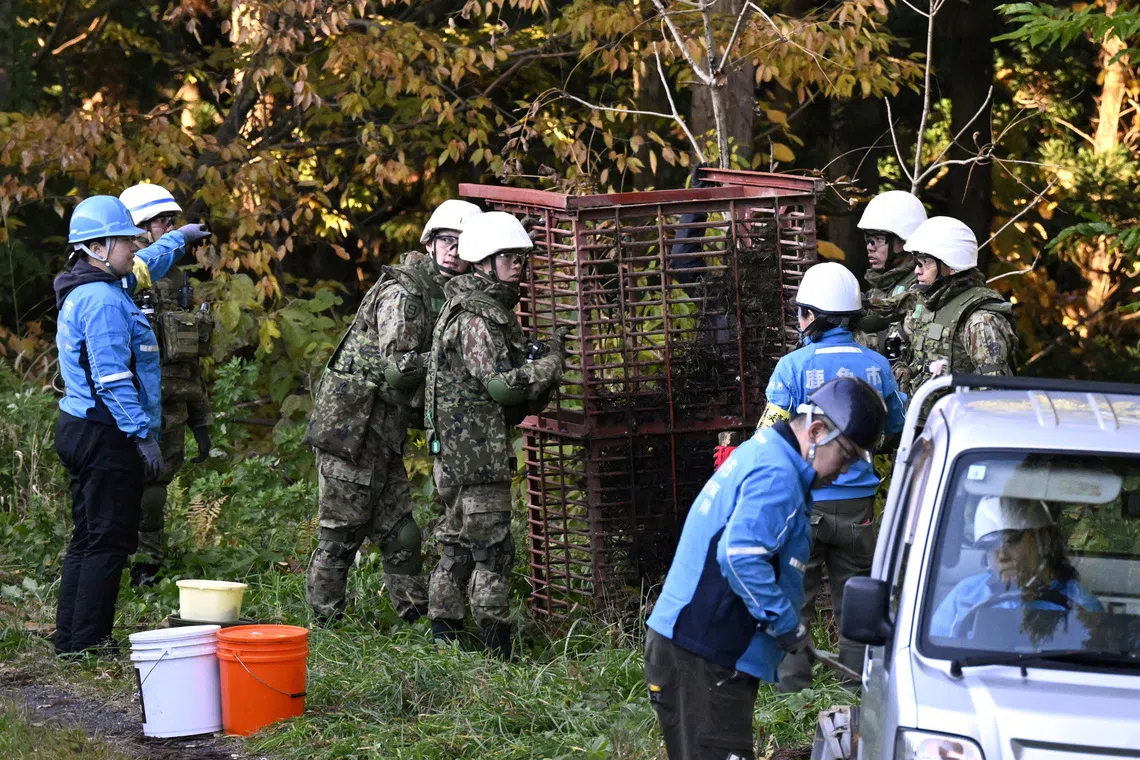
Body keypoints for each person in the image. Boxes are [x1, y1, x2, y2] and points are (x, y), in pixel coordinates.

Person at [645, 377, 888, 760]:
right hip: (703, 653)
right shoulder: (778, 473)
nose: (844, 472)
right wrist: (785, 624)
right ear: (817, 431)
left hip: (699, 649)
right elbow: (740, 556)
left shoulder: (767, 452)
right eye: (845, 456)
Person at [304, 199, 483, 624]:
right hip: (354, 424)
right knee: (341, 532)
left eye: (463, 243)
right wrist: (450, 358)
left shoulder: (450, 292)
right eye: (446, 240)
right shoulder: (407, 291)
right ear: (430, 242)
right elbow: (399, 369)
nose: (454, 250)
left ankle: (414, 619)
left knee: (400, 533)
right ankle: (325, 624)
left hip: (383, 429)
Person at [749, 262, 907, 691]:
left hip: (807, 504)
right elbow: (897, 423)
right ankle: (855, 688)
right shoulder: (877, 366)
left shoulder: (792, 366)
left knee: (794, 595)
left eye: (802, 312)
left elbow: (769, 433)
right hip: (860, 508)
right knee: (856, 599)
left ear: (816, 316)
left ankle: (792, 690)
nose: (798, 321)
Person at [424, 211, 565, 658]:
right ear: (484, 262)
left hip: (457, 451)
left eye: (520, 257)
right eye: (508, 257)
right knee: (490, 552)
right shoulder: (478, 316)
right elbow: (501, 387)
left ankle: (445, 640)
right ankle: (496, 650)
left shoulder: (471, 306)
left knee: (458, 544)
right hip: (475, 455)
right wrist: (549, 364)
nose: (518, 264)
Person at [52, 196, 174, 654]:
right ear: (98, 247)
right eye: (125, 239)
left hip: (81, 425)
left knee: (88, 537)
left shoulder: (91, 288)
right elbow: (113, 377)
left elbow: (148, 261)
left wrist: (178, 240)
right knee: (109, 539)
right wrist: (142, 435)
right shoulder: (102, 300)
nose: (134, 244)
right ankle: (88, 642)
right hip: (105, 433)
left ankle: (72, 638)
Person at [119, 183, 215, 586]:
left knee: (156, 486)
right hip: (131, 403)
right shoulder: (128, 275)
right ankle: (121, 558)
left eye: (174, 222)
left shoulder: (175, 278)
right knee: (130, 485)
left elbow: (186, 355)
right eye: (163, 221)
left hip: (173, 401)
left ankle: (147, 564)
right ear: (139, 226)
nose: (171, 228)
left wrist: (201, 420)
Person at [930, 496, 1102, 638]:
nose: (1002, 555)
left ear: (1043, 540)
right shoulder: (964, 595)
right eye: (991, 546)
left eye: (1011, 541)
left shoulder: (1079, 602)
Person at [896, 216, 1018, 396]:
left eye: (926, 262)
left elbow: (994, 394)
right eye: (917, 262)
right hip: (919, 418)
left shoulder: (981, 320)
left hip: (956, 421)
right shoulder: (928, 304)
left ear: (952, 267)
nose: (917, 271)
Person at [854, 190, 927, 362]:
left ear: (903, 241)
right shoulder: (881, 286)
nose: (870, 247)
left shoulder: (921, 286)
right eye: (868, 239)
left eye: (878, 239)